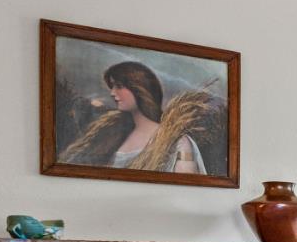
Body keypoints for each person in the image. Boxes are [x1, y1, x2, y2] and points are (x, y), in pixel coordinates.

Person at [59, 61, 209, 173]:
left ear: (139, 89)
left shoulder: (178, 141)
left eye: (119, 86)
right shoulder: (112, 132)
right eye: (111, 87)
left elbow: (186, 192)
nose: (112, 93)